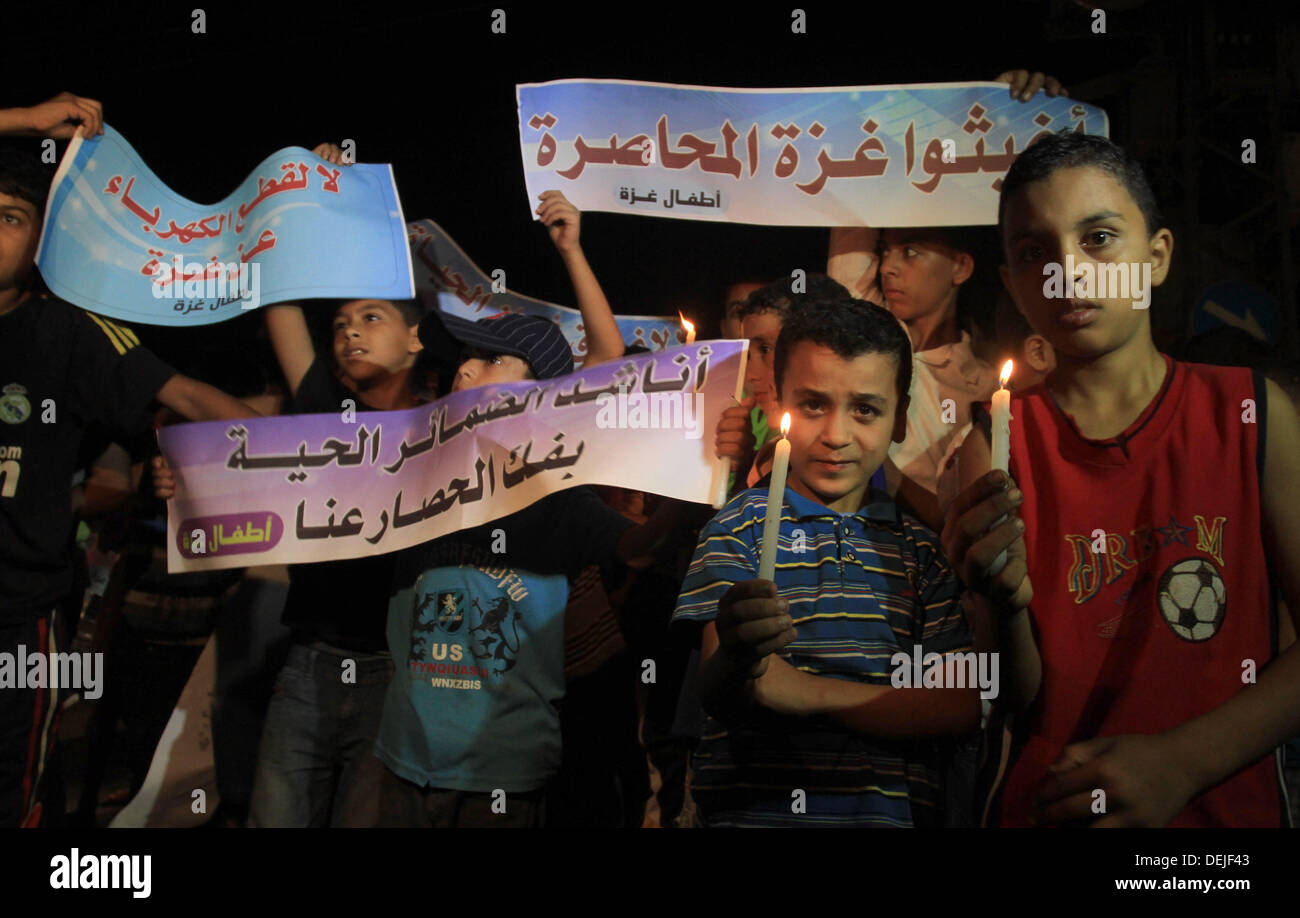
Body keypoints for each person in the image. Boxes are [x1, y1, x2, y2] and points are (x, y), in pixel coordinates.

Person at [944, 130, 1300, 827]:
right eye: (1032, 252)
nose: (1067, 271)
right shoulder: (994, 447)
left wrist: (1183, 761)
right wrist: (1003, 603)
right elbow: (1008, 696)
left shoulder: (1251, 414)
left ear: (1157, 256)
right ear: (1014, 283)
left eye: (1098, 237)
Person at [0, 99, 259, 827]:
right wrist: (23, 120)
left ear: (42, 244)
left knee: (15, 792)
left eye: (11, 217)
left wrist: (328, 455)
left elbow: (182, 393)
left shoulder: (67, 331)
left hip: (21, 622)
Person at [674, 293, 980, 827]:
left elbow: (958, 706)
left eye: (865, 409)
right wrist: (740, 658)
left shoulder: (922, 553)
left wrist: (805, 692)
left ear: (900, 418)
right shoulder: (738, 530)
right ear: (783, 404)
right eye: (813, 404)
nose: (837, 436)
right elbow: (722, 693)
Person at [374, 311, 686, 827]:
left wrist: (691, 492)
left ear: (539, 391)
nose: (466, 371)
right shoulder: (410, 472)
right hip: (403, 757)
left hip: (501, 773)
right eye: (466, 357)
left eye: (491, 358)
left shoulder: (555, 496)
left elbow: (638, 550)